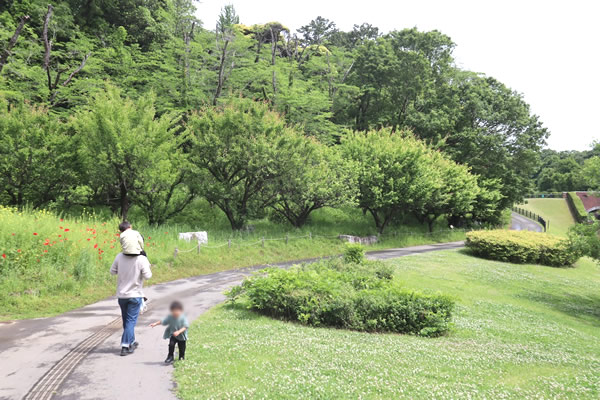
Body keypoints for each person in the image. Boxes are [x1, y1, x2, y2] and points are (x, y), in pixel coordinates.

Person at [110, 250, 152, 356]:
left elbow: (112, 271)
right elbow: (148, 276)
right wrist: (146, 263)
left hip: (122, 296)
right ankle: (125, 345)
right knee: (130, 321)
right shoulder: (141, 259)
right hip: (135, 295)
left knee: (126, 321)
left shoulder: (119, 256)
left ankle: (132, 341)